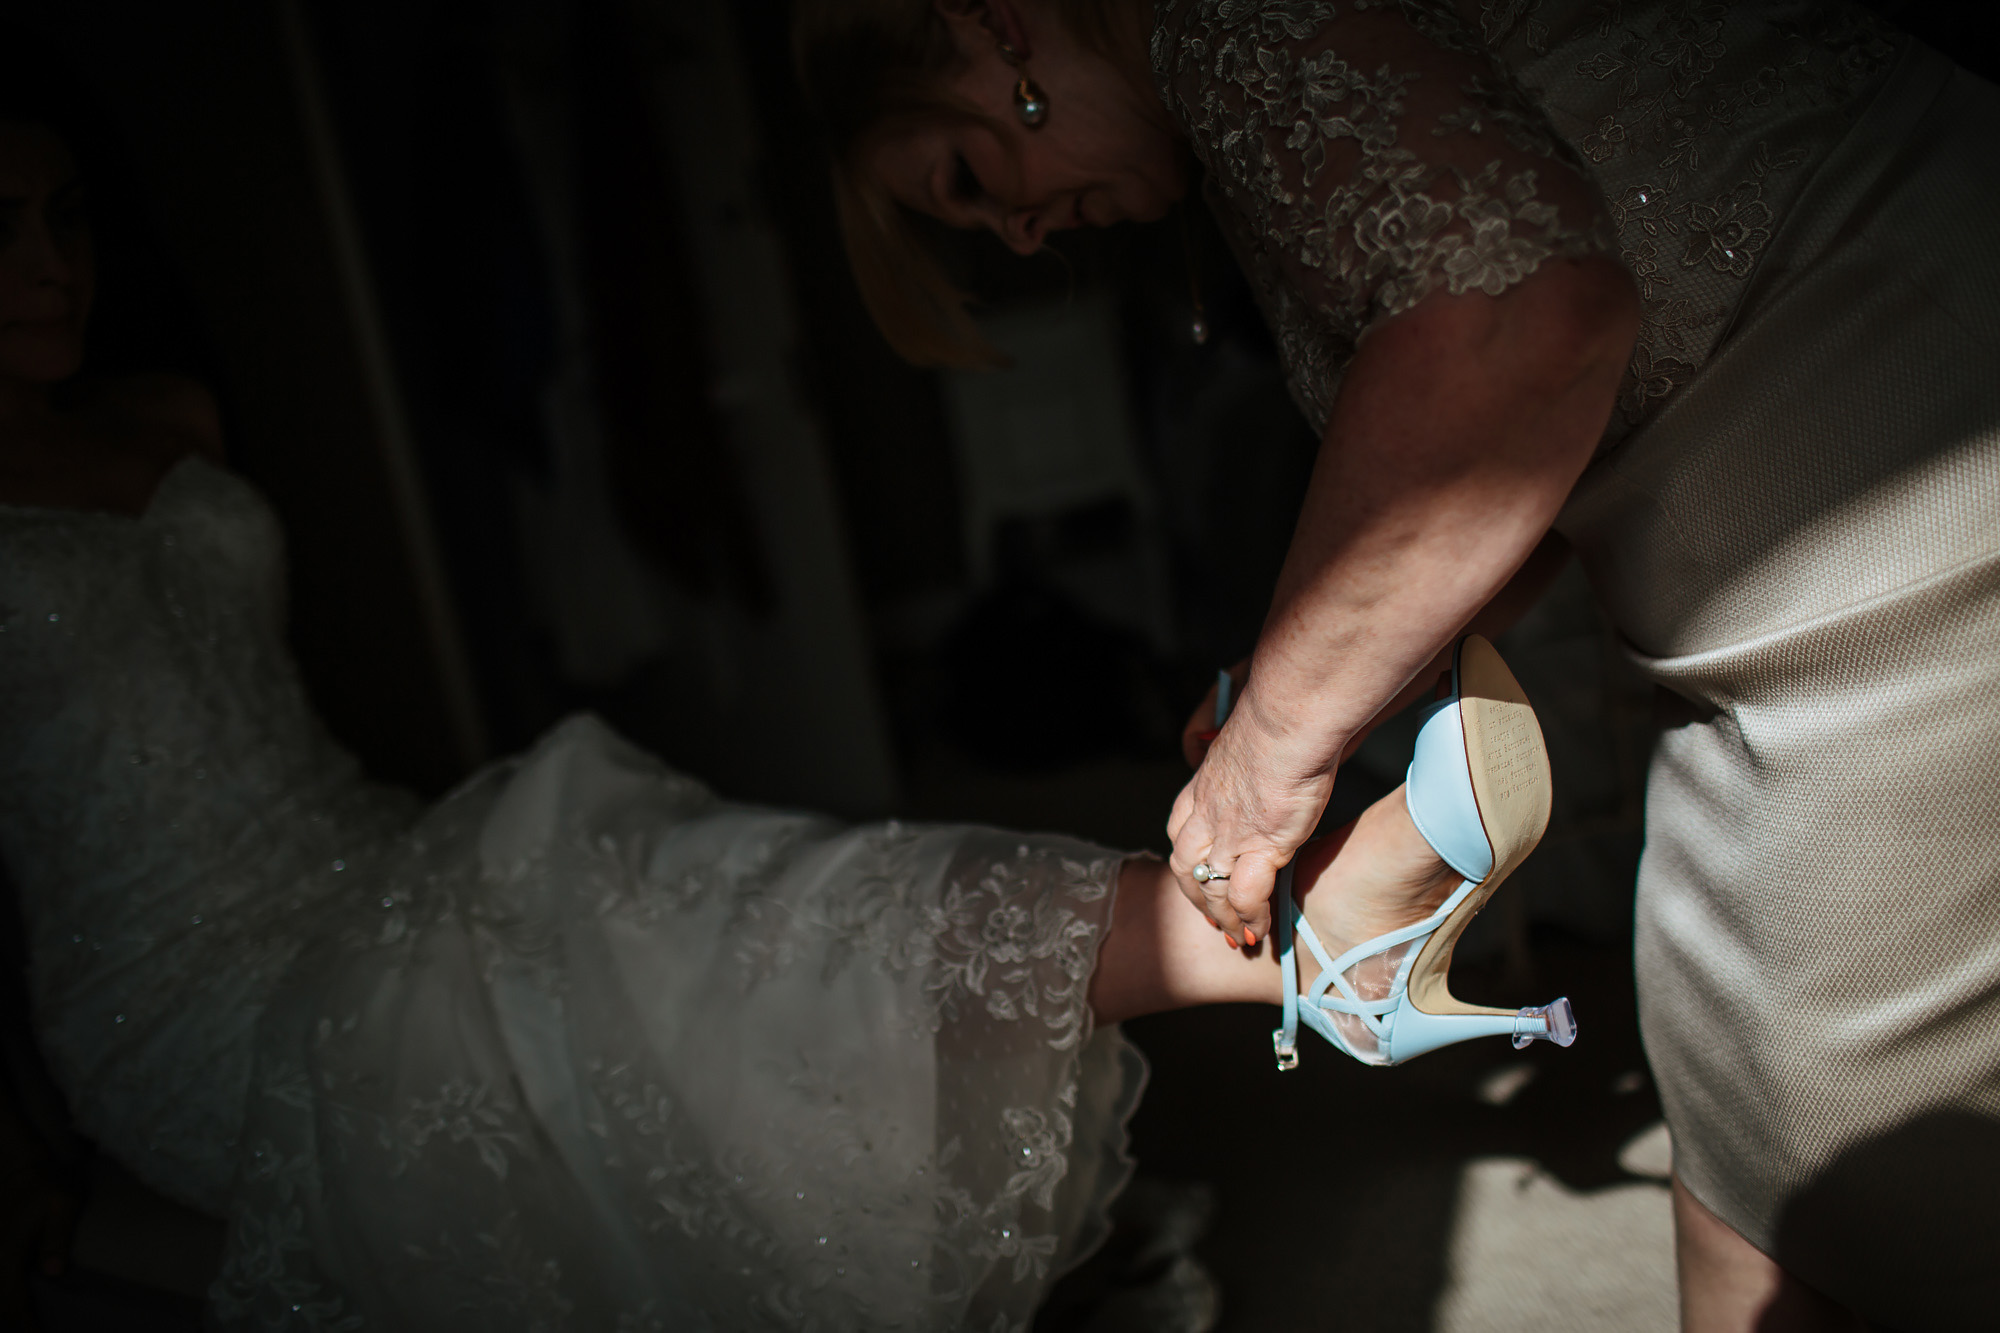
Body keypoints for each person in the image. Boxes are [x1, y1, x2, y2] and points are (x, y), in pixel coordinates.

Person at [0, 74, 1528, 1328]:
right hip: (187, 994)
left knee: (681, 900)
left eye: (66, 218)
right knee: (583, 983)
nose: (48, 264)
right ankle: (1308, 949)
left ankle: (1314, 952)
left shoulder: (171, 414)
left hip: (365, 849)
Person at [796, 0, 2000, 1325]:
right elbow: (1514, 437)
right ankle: (1379, 895)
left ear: (1000, 29)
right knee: (1735, 1138)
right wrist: (1310, 676)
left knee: (1840, 1193)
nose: (1021, 233)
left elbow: (1520, 327)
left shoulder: (1220, 26)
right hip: (1789, 567)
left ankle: (1365, 922)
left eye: (968, 178)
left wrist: (1261, 773)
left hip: (1910, 521)